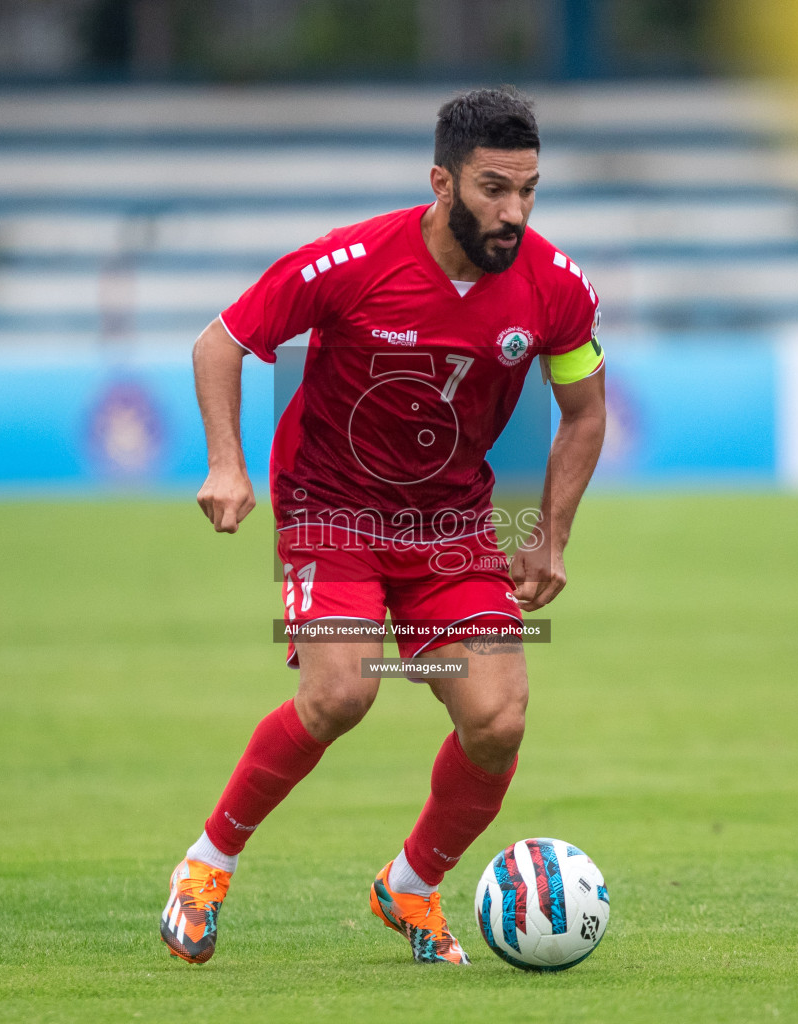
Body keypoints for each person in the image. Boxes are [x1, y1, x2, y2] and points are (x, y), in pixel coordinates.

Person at [162, 87, 608, 966]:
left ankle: (409, 885)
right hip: (333, 514)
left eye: (528, 190)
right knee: (341, 693)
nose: (513, 212)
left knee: (499, 718)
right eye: (493, 189)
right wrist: (226, 462)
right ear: (441, 182)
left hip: (449, 527)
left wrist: (551, 535)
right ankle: (205, 866)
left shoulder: (555, 287)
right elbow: (220, 342)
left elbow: (584, 411)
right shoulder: (353, 262)